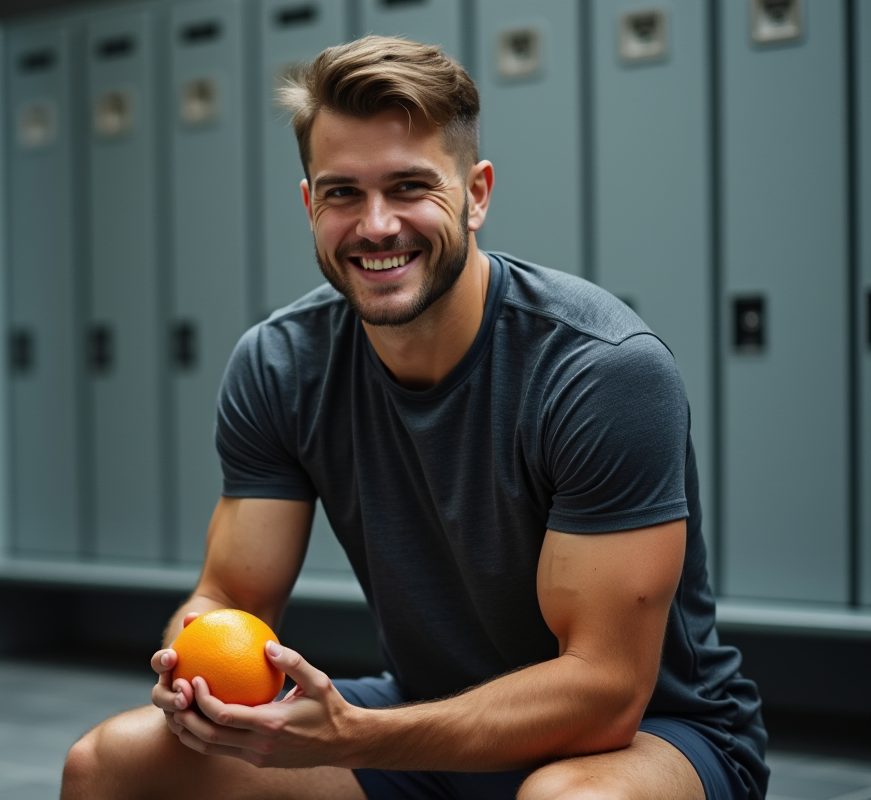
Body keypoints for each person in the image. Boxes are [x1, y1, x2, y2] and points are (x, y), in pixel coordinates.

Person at [62, 36, 768, 800]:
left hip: (651, 737)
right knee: (108, 765)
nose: (376, 225)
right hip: (430, 716)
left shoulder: (599, 370)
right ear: (308, 205)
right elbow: (228, 598)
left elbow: (603, 691)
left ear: (478, 193)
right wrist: (185, 673)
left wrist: (353, 735)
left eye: (409, 187)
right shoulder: (279, 365)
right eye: (341, 193)